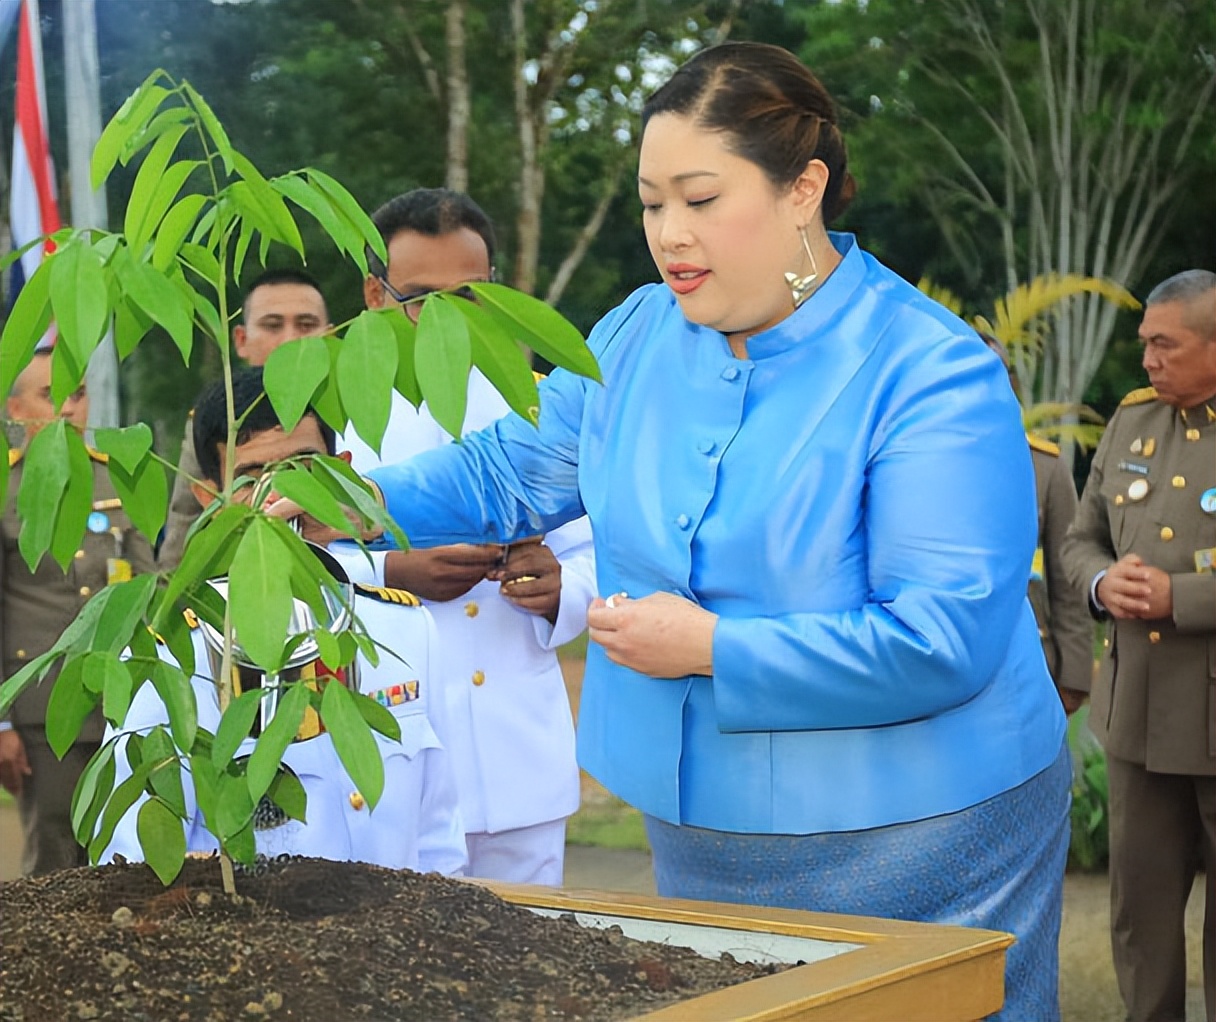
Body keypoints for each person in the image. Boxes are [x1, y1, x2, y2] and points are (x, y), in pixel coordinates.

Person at [361, 44, 1071, 1020]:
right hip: (700, 817)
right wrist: (344, 499)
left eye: (700, 198)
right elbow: (511, 470)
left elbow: (941, 639)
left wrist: (709, 647)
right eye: (654, 202)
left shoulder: (931, 372)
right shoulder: (636, 333)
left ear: (802, 190)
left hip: (923, 829)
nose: (668, 233)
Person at [102, 369, 467, 874]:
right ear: (212, 499)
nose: (284, 498)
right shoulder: (168, 654)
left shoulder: (404, 630)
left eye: (304, 469)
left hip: (392, 942)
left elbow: (439, 835)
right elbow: (135, 860)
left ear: (343, 474)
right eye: (253, 477)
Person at [339, 188, 594, 886]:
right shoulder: (330, 416)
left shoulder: (536, 405)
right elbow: (289, 562)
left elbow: (601, 549)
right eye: (424, 296)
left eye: (471, 296)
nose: (449, 318)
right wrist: (389, 569)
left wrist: (560, 587)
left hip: (518, 758)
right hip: (394, 761)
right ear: (375, 293)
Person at [1062, 269, 1216, 1022]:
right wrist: (1100, 583)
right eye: (1144, 343)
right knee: (1141, 917)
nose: (1148, 359)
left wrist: (1179, 597)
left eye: (1166, 344)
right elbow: (1079, 538)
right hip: (1138, 723)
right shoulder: (1133, 421)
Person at [0, 349, 157, 875]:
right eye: (50, 395)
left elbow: (149, 590)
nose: (67, 408)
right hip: (42, 708)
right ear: (17, 410)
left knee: (124, 853)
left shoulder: (118, 481)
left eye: (78, 393)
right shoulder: (6, 491)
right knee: (55, 856)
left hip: (124, 700)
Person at [157, 268, 331, 570]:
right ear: (241, 339)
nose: (290, 340)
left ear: (329, 335)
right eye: (273, 325)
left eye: (306, 325)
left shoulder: (360, 416)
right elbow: (183, 546)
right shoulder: (217, 422)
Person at [981, 332, 1093, 713]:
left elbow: (1068, 575)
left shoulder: (1043, 467)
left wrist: (1074, 674)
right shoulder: (910, 462)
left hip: (1032, 661)